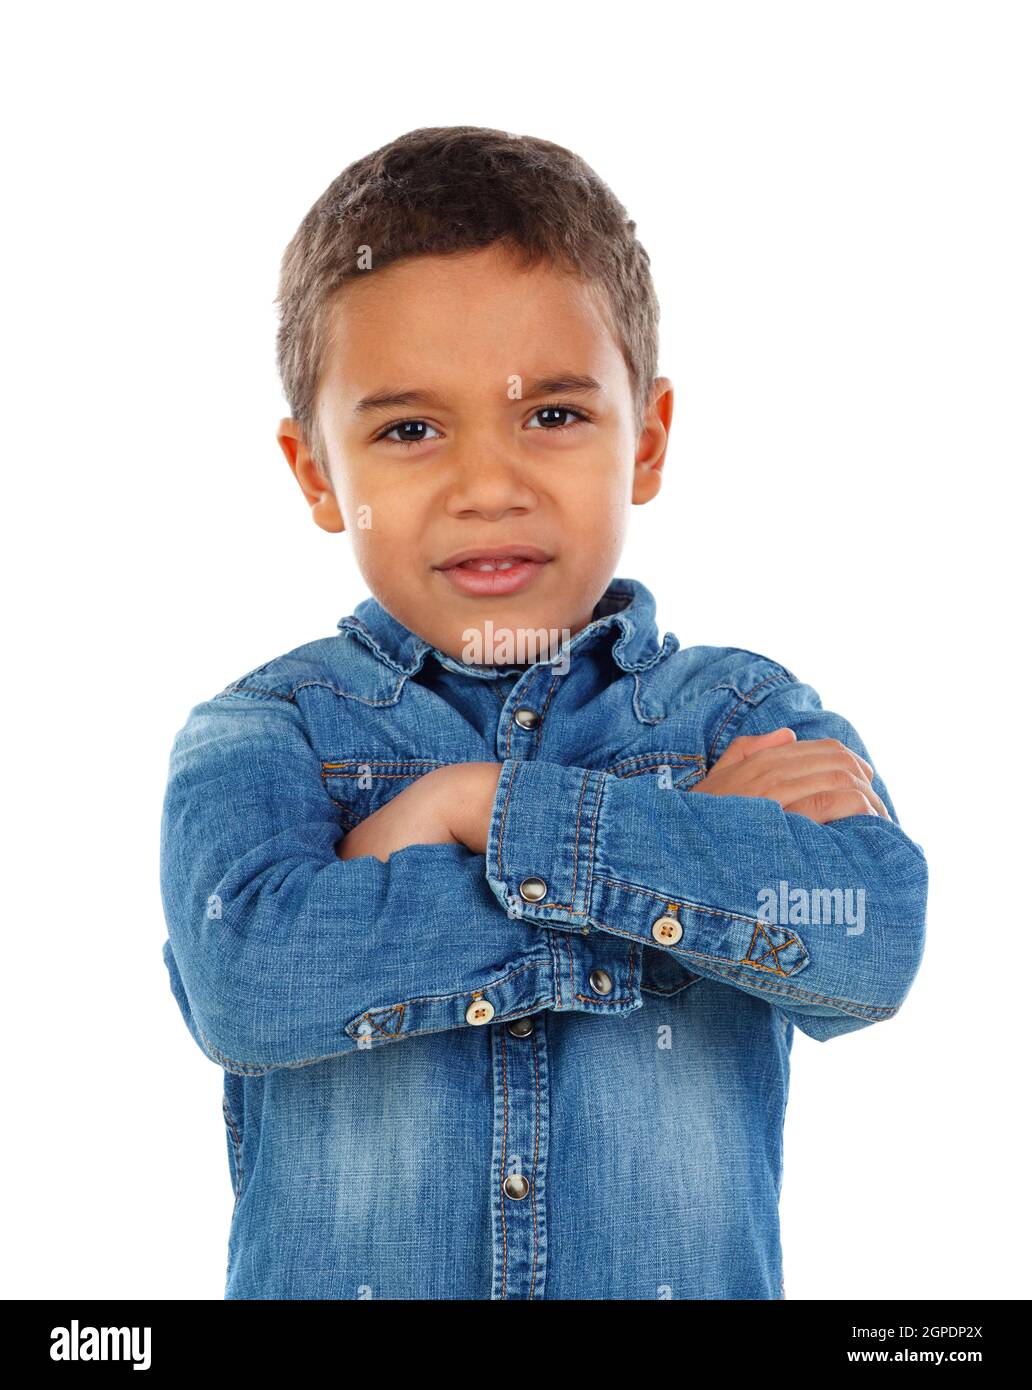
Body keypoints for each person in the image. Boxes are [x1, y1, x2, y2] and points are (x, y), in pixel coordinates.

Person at [158, 126, 928, 1300]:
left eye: (554, 415)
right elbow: (256, 980)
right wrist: (665, 857)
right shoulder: (265, 735)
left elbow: (869, 937)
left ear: (649, 440)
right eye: (410, 429)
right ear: (318, 472)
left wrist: (475, 808)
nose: (489, 484)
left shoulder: (741, 716)